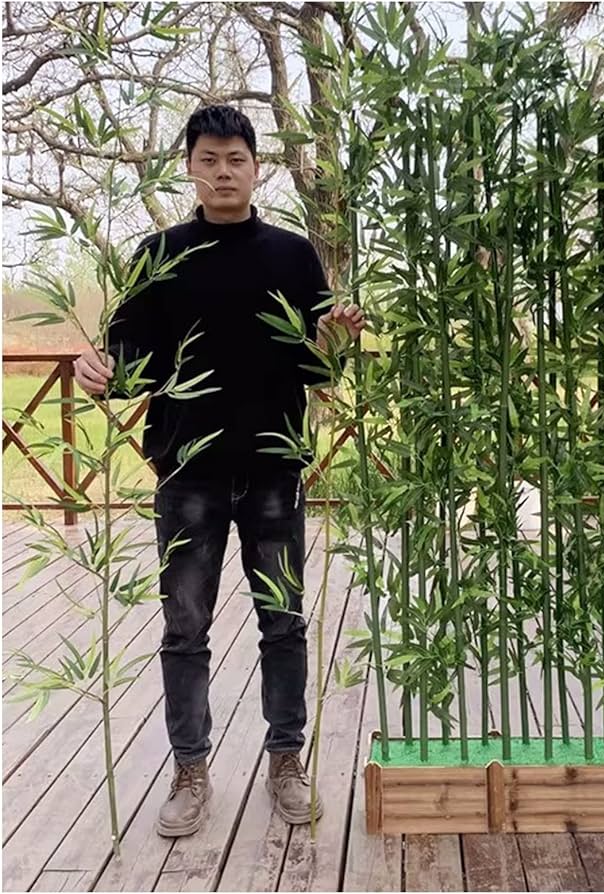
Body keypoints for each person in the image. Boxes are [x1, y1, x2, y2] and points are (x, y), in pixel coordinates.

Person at [74, 105, 365, 837]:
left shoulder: (294, 255)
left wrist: (335, 345)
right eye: (209, 159)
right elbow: (132, 364)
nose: (223, 172)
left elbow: (315, 367)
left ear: (256, 168)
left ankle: (286, 760)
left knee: (283, 623)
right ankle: (189, 768)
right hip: (188, 472)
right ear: (189, 168)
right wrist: (97, 371)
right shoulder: (157, 254)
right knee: (185, 628)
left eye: (236, 159)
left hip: (272, 468)